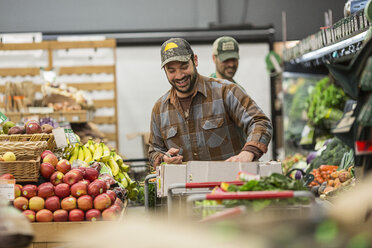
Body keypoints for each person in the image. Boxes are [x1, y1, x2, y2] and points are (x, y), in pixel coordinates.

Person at [148, 38, 272, 168]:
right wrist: (163, 158)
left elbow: (260, 122)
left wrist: (248, 152)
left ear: (195, 60)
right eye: (171, 70)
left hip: (230, 184)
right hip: (184, 187)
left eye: (184, 67)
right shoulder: (160, 109)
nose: (179, 75)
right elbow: (153, 151)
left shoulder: (225, 92)